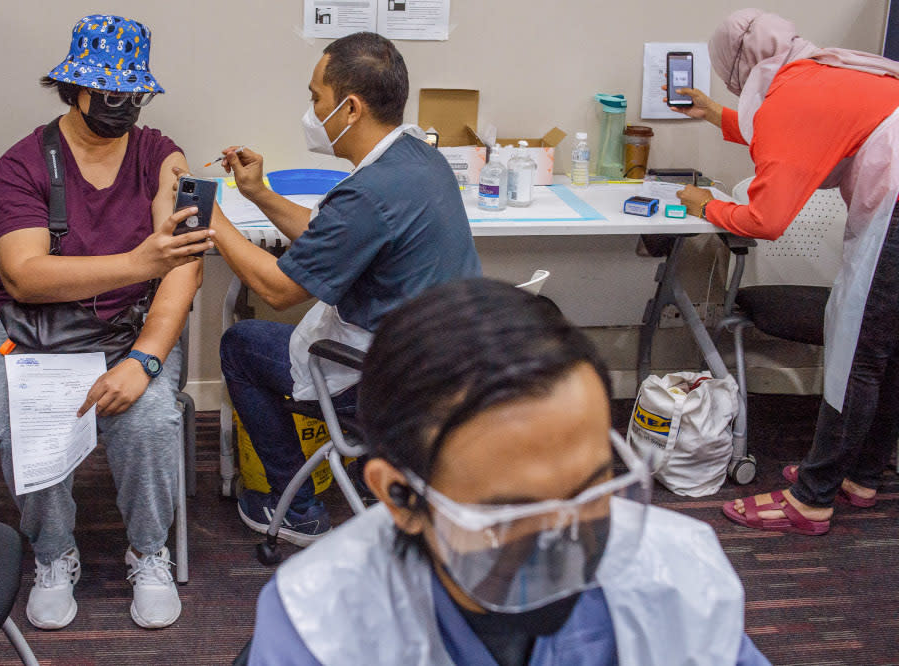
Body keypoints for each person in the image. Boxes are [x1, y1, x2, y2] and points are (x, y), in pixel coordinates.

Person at [246, 278, 769, 666]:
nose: (565, 541)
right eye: (513, 509)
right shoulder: (320, 624)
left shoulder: (677, 579)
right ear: (401, 497)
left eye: (593, 488)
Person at [0, 14, 214, 630]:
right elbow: (25, 274)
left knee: (151, 415)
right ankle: (53, 553)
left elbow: (180, 263)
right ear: (73, 88)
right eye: (108, 93)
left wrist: (146, 358)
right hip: (31, 333)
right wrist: (136, 261)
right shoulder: (23, 164)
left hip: (127, 331)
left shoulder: (163, 156)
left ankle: (149, 552)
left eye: (134, 94)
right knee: (32, 412)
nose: (122, 106)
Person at [207, 31, 482, 544]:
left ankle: (296, 508)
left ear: (349, 108)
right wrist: (259, 194)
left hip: (389, 379)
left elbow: (278, 288)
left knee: (239, 347)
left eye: (316, 98)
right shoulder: (421, 159)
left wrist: (212, 216)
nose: (311, 111)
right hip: (450, 362)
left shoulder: (368, 193)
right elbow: (331, 235)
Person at [670, 9, 899, 535]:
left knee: (858, 354)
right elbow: (800, 139)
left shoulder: (791, 96)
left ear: (740, 66)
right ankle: (860, 474)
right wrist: (714, 116)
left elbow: (766, 220)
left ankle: (812, 498)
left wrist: (705, 205)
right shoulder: (821, 71)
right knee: (889, 348)